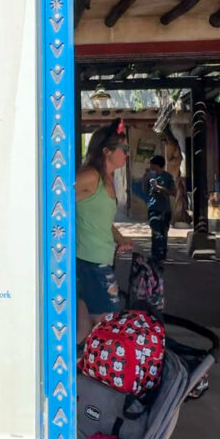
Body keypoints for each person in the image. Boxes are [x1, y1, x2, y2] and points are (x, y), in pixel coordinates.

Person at [76, 120, 134, 344]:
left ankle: (74, 371)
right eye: (124, 149)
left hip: (95, 261)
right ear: (107, 151)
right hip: (91, 264)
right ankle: (107, 373)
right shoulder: (90, 176)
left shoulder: (106, 179)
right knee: (109, 326)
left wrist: (120, 239)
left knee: (85, 329)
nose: (127, 154)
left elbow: (101, 219)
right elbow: (56, 194)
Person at [142, 155, 176, 263]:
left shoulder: (167, 177)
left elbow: (173, 192)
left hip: (165, 209)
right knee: (155, 232)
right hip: (153, 208)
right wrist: (145, 178)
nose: (150, 166)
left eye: (152, 164)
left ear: (158, 165)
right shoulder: (150, 176)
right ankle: (155, 254)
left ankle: (162, 253)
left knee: (163, 233)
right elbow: (144, 190)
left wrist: (159, 188)